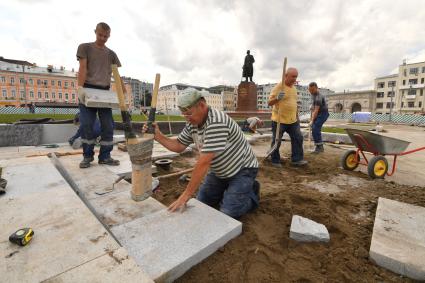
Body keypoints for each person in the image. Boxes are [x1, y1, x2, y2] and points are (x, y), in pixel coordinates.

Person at [145, 91, 260, 219]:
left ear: (202, 105)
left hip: (242, 170)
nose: (186, 118)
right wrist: (158, 136)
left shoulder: (216, 122)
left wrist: (186, 194)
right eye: (184, 114)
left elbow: (204, 162)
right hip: (219, 172)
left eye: (188, 113)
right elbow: (178, 146)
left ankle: (252, 193)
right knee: (202, 202)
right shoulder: (193, 123)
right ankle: (230, 191)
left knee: (228, 212)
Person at [76, 22, 122, 168]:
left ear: (109, 36)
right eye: (100, 35)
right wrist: (80, 88)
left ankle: (105, 156)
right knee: (87, 124)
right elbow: (82, 68)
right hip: (88, 89)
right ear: (95, 32)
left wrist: (124, 94)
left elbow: (117, 74)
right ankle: (87, 156)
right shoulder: (85, 47)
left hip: (104, 92)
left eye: (106, 36)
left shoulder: (111, 54)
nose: (103, 38)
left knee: (108, 125)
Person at [267, 67, 307, 167]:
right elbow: (269, 102)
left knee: (298, 138)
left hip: (292, 120)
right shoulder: (279, 87)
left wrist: (297, 116)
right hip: (279, 120)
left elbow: (294, 104)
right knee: (277, 140)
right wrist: (277, 98)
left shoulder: (294, 89)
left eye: (296, 77)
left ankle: (297, 159)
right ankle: (275, 160)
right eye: (293, 76)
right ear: (286, 76)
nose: (295, 79)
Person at [308, 82, 329, 153]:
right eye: (309, 90)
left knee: (315, 128)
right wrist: (312, 106)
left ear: (316, 88)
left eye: (312, 90)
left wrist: (312, 120)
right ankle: (319, 146)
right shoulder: (313, 94)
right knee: (315, 129)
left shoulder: (319, 97)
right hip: (318, 113)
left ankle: (319, 147)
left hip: (323, 114)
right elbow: (314, 107)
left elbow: (316, 111)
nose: (311, 92)